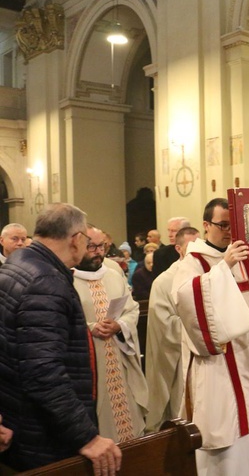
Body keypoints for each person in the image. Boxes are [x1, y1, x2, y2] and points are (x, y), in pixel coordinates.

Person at [172, 198, 249, 476]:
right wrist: (223, 268)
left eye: (234, 225)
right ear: (206, 225)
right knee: (228, 440)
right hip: (220, 367)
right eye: (223, 225)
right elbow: (185, 299)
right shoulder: (192, 262)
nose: (230, 231)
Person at [0, 203, 121, 474]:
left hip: (18, 422)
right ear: (76, 239)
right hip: (43, 435)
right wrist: (87, 436)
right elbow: (43, 372)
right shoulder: (45, 281)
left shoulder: (17, 264)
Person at [73, 225, 148, 442]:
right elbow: (62, 319)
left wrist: (120, 325)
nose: (98, 251)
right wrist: (91, 327)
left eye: (102, 246)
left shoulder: (114, 275)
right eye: (92, 246)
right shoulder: (66, 279)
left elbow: (132, 309)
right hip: (90, 366)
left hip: (119, 357)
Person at [144, 226, 200, 432]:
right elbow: (164, 325)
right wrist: (200, 325)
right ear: (178, 248)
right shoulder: (164, 281)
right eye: (191, 247)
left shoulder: (210, 274)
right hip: (182, 359)